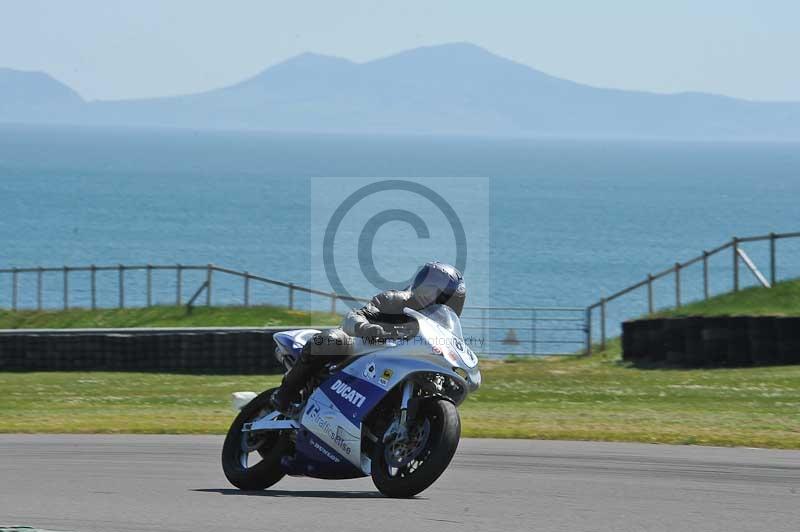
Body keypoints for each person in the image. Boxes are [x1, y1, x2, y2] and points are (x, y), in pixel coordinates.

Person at [271, 261, 466, 413]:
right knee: (330, 340)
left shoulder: (443, 331)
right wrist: (367, 328)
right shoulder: (395, 301)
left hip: (403, 364)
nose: (433, 297)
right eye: (430, 289)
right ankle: (284, 395)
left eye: (441, 295)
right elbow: (354, 316)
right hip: (364, 346)